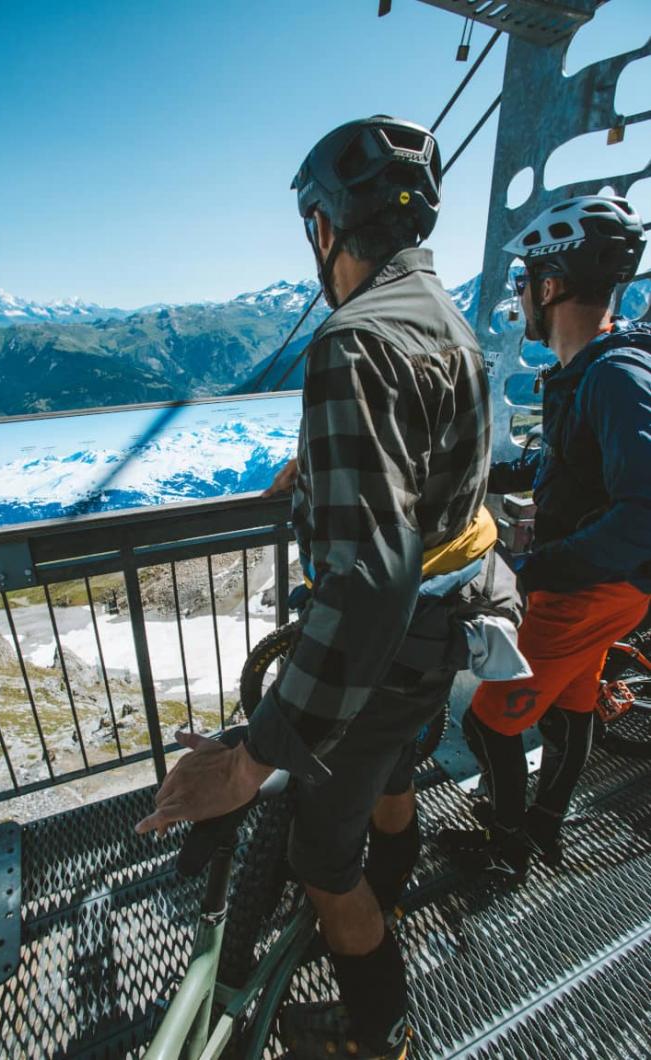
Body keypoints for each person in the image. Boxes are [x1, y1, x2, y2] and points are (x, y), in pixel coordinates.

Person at [137, 115, 498, 1058]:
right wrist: (329, 472)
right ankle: (396, 885)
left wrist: (251, 761)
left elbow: (368, 582)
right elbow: (439, 479)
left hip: (386, 656)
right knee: (390, 777)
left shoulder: (351, 342)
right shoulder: (452, 325)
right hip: (445, 638)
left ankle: (379, 1032)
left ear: (323, 227)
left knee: (316, 858)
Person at [439, 195, 651, 881]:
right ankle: (544, 828)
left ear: (551, 284)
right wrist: (468, 471)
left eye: (523, 280)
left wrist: (538, 567)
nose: (519, 294)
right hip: (605, 586)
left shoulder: (612, 377)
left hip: (585, 587)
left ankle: (506, 850)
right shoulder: (594, 369)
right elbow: (565, 463)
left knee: (486, 721)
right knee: (571, 702)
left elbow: (644, 508)